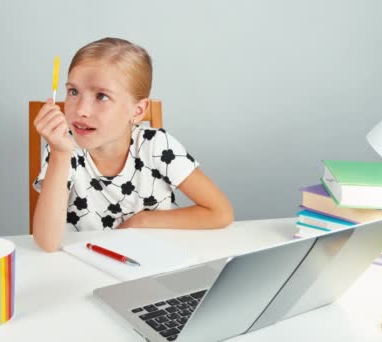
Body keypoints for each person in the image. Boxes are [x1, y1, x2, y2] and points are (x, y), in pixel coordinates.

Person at [32, 37, 234, 252]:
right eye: (73, 92)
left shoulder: (157, 147)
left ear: (137, 111)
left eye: (101, 96)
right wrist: (60, 154)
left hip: (152, 260)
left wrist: (142, 221)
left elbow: (220, 212)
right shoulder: (63, 149)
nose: (81, 109)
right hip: (88, 268)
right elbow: (47, 242)